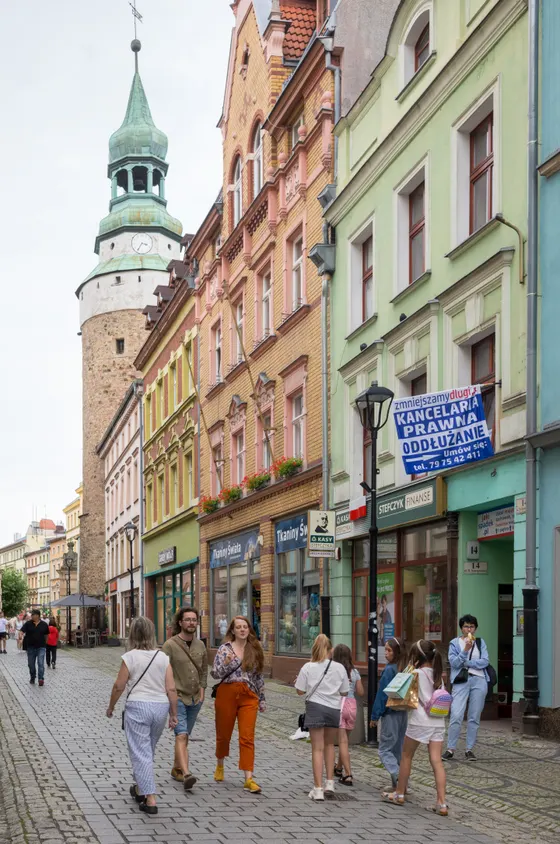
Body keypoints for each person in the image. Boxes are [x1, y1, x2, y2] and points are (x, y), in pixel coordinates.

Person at [106, 616, 178, 816]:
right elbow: (171, 689)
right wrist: (173, 714)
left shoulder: (130, 657)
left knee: (140, 752)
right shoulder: (163, 657)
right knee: (147, 750)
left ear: (132, 635)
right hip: (160, 707)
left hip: (138, 706)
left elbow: (119, 685)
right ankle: (139, 788)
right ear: (151, 633)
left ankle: (150, 798)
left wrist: (111, 707)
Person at [382, 639, 448, 816]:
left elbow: (397, 691)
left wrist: (410, 667)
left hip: (420, 721)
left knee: (406, 756)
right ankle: (442, 803)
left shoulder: (415, 673)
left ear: (416, 656)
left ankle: (400, 793)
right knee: (436, 761)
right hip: (438, 722)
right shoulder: (437, 675)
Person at [211, 615, 265, 794]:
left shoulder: (254, 649)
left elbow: (258, 676)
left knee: (247, 737)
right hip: (226, 693)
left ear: (249, 629)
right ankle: (220, 764)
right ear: (232, 630)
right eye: (239, 627)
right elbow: (215, 674)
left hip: (248, 695)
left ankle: (248, 778)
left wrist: (262, 698)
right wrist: (227, 664)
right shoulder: (224, 649)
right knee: (223, 734)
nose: (242, 629)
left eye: (245, 627)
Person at [295, 633, 349, 801]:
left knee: (317, 748)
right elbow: (344, 691)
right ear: (330, 650)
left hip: (315, 708)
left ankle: (318, 789)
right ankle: (330, 782)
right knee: (329, 746)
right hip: (333, 709)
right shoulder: (339, 668)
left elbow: (300, 691)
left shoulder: (307, 667)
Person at [162, 606, 207, 790]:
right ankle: (187, 773)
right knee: (181, 734)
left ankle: (176, 768)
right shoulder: (170, 645)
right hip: (177, 697)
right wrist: (167, 694)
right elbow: (162, 671)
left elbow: (204, 669)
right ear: (180, 622)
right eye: (187, 619)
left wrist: (203, 689)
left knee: (185, 736)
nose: (191, 623)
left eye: (194, 620)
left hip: (196, 697)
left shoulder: (201, 645)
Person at [443, 614, 490, 762]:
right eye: (465, 626)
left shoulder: (481, 643)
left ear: (475, 628)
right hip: (461, 681)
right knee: (456, 715)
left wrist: (468, 663)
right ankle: (450, 749)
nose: (468, 629)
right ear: (461, 628)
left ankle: (469, 749)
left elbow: (485, 662)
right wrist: (465, 650)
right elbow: (454, 663)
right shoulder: (454, 643)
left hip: (479, 680)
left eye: (471, 626)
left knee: (474, 716)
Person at [370, 637, 408, 789]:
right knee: (397, 750)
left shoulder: (389, 670)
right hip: (403, 712)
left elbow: (382, 695)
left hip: (390, 713)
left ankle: (398, 776)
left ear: (396, 652)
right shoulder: (404, 667)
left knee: (385, 749)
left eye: (389, 650)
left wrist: (374, 716)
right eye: (385, 649)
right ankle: (400, 786)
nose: (385, 653)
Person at [332, 644, 364, 786]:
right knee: (344, 740)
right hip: (352, 706)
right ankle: (338, 768)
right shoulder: (355, 671)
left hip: (340, 704)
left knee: (342, 742)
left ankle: (348, 774)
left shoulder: (335, 671)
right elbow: (361, 692)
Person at [21, 610, 49, 685]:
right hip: (30, 647)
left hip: (41, 647)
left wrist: (45, 643)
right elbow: (22, 631)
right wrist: (21, 635)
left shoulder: (44, 624)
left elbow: (46, 635)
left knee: (40, 663)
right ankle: (32, 677)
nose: (32, 616)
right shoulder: (28, 623)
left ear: (37, 616)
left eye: (33, 615)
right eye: (32, 615)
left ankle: (40, 678)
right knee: (31, 664)